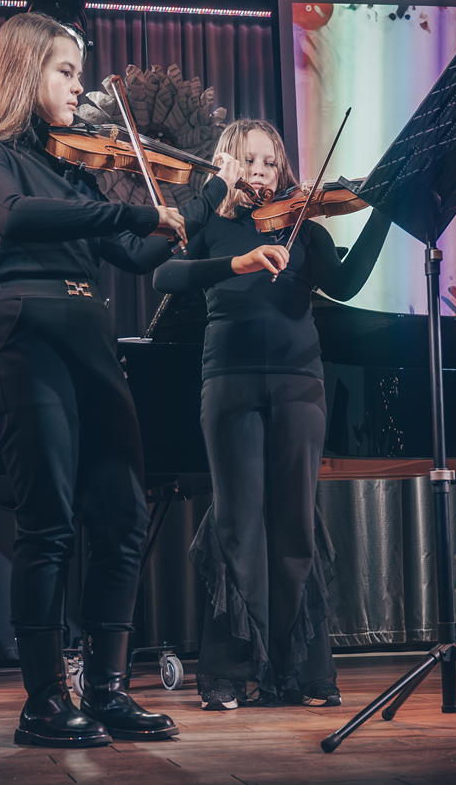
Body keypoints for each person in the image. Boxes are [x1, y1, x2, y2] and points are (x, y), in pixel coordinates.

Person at [0, 12, 242, 747]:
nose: (79, 87)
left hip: (92, 340)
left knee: (123, 517)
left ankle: (106, 690)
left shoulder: (73, 170)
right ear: (24, 72)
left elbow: (135, 257)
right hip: (25, 336)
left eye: (79, 72)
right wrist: (131, 210)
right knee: (47, 522)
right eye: (66, 71)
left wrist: (203, 203)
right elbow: (15, 218)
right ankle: (44, 699)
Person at [153, 119, 392, 711]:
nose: (261, 173)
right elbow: (164, 275)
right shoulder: (210, 223)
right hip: (227, 382)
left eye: (270, 162)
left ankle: (303, 672)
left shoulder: (305, 227)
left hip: (300, 383)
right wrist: (236, 260)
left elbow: (347, 284)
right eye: (249, 161)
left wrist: (384, 214)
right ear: (228, 164)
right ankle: (229, 672)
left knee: (295, 525)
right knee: (238, 525)